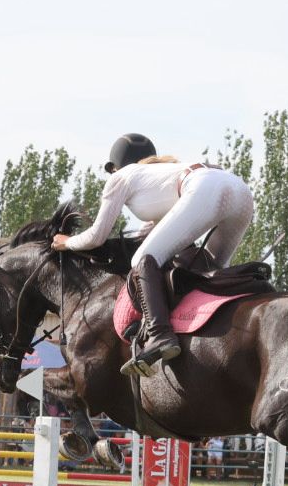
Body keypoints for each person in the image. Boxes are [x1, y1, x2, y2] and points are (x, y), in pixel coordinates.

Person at [52, 133, 256, 378]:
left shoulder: (121, 177)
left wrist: (67, 242)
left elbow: (97, 236)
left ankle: (160, 334)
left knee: (140, 261)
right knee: (213, 270)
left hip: (205, 188)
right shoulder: (160, 176)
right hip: (239, 190)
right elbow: (151, 232)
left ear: (116, 166)